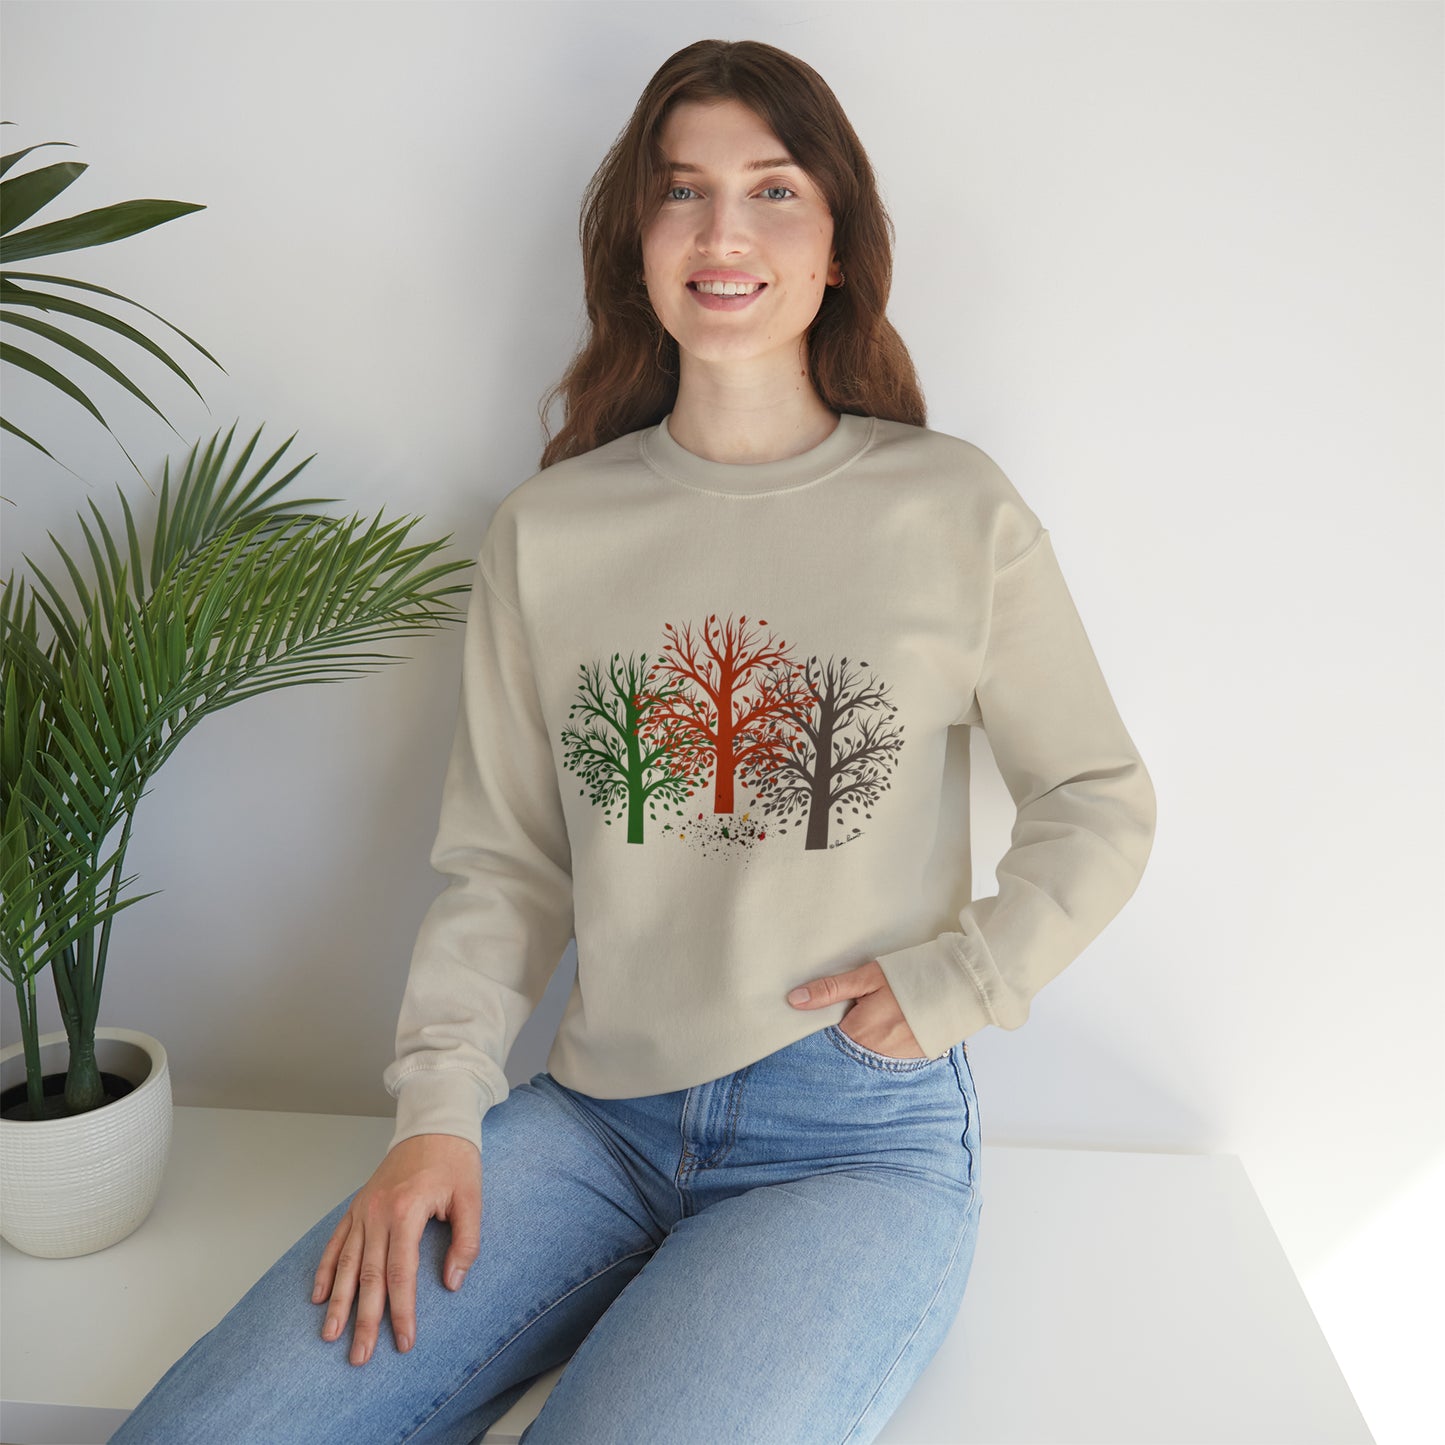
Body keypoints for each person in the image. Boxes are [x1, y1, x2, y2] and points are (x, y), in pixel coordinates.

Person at [110, 37, 1156, 1445]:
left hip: (848, 1138)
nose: (723, 232)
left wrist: (965, 973)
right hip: (593, 1118)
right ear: (637, 240)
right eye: (681, 192)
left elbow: (1096, 794)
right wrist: (437, 1110)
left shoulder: (950, 510)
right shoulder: (551, 531)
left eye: (772, 190)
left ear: (837, 242)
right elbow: (506, 867)